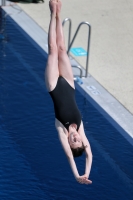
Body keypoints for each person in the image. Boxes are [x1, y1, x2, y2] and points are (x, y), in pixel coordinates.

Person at [45, 0, 92, 185]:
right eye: (78, 140)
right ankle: (58, 12)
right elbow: (88, 154)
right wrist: (86, 173)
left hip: (54, 85)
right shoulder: (81, 129)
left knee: (52, 50)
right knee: (63, 49)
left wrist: (77, 175)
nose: (75, 138)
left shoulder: (62, 131)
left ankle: (52, 15)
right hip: (70, 85)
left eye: (74, 142)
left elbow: (70, 158)